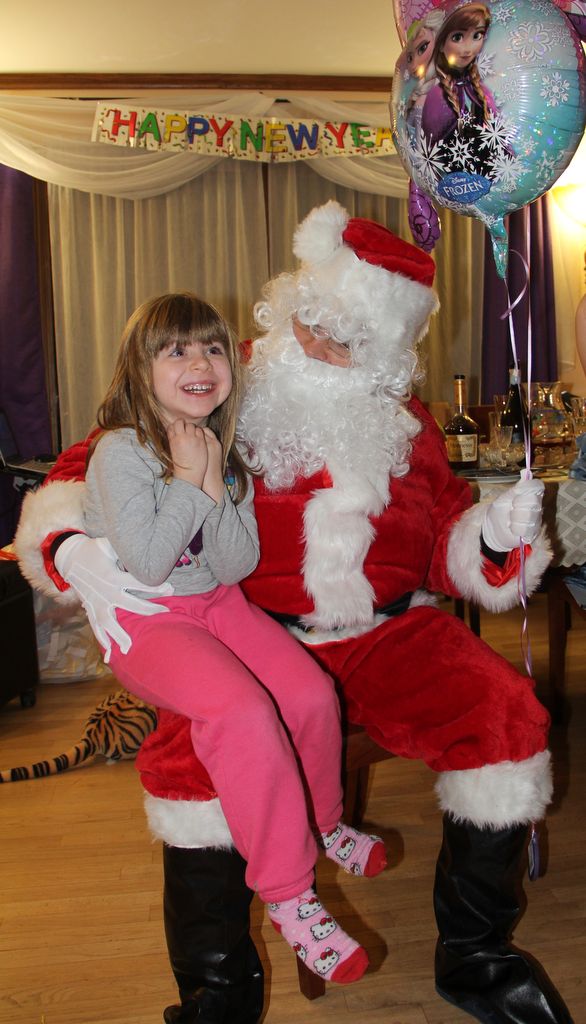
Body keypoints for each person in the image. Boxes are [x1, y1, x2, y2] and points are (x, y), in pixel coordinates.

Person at [14, 202, 573, 1024]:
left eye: (346, 339)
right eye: (310, 321)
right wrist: (66, 543)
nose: (318, 346)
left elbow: (448, 537)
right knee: (196, 762)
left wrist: (491, 536)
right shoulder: (225, 382)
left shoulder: (408, 425)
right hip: (245, 630)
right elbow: (95, 455)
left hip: (391, 633)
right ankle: (219, 995)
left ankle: (478, 962)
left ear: (387, 352)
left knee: (505, 715)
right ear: (288, 306)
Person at [78, 291, 389, 986]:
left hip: (217, 603)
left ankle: (324, 821)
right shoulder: (120, 451)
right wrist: (193, 479)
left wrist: (215, 477)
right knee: (242, 713)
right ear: (140, 369)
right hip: (149, 619)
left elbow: (234, 565)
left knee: (309, 694)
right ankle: (289, 896)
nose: (201, 363)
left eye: (213, 349)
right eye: (177, 350)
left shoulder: (220, 447)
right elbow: (150, 560)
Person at [420, 3, 507, 178]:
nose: (468, 48)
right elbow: (429, 156)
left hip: (492, 177)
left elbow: (500, 140)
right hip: (454, 180)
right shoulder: (436, 96)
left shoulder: (482, 91)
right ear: (441, 44)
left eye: (477, 35)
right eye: (458, 37)